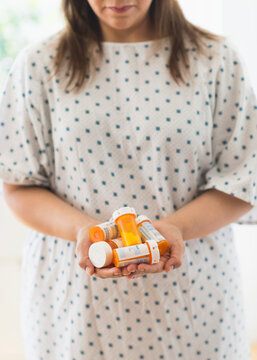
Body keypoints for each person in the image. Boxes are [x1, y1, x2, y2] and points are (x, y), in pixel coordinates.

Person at [0, 0, 257, 359]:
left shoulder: (215, 59)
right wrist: (84, 232)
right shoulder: (40, 64)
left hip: (194, 296)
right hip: (74, 300)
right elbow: (18, 184)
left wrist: (174, 230)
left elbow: (244, 179)